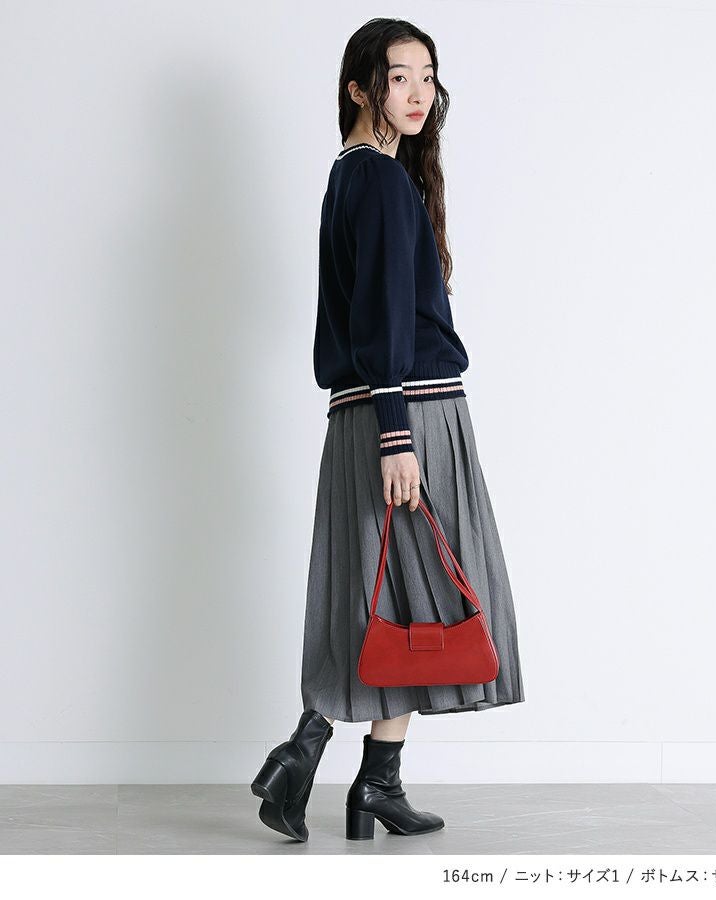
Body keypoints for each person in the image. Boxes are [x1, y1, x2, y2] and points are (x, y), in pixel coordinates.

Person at [251, 17, 525, 843]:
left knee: (390, 599)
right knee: (431, 594)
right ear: (359, 88)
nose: (417, 93)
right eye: (398, 76)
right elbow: (381, 317)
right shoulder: (374, 180)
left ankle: (363, 777)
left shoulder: (358, 177)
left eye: (427, 77)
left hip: (369, 411)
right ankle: (325, 763)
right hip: (405, 411)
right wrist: (398, 435)